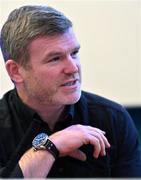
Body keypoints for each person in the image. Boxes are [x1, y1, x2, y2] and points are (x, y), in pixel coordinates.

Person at [0, 5, 141, 178]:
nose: (73, 68)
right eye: (55, 58)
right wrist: (49, 146)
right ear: (16, 71)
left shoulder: (113, 119)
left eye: (74, 53)